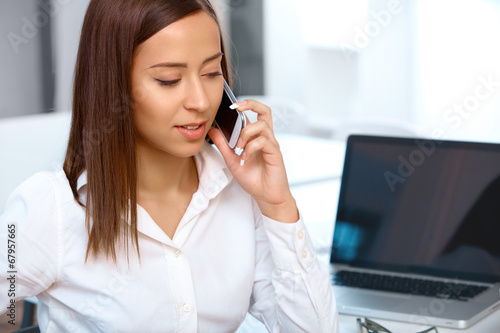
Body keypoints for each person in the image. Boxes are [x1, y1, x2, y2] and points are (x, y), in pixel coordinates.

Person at [0, 0, 338, 331]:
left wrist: (277, 204)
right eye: (168, 80)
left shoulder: (239, 192)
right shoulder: (52, 210)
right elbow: (9, 306)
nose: (201, 101)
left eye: (211, 73)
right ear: (113, 86)